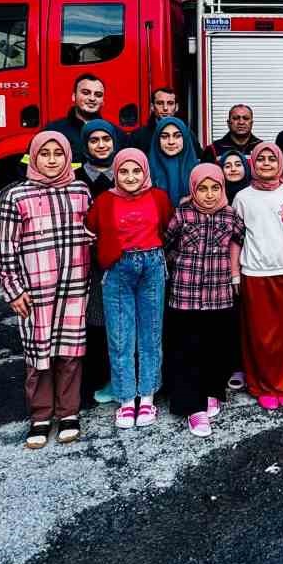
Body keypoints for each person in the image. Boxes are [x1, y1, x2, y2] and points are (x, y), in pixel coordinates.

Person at [0, 132, 95, 449]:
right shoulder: (17, 196)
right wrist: (13, 288)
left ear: (68, 156)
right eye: (44, 154)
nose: (51, 160)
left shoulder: (80, 191)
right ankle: (40, 415)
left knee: (69, 353)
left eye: (58, 153)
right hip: (36, 289)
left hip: (74, 287)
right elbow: (6, 249)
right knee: (39, 352)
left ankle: (68, 413)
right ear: (33, 158)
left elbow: (93, 234)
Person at [86, 148, 172, 430]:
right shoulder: (104, 201)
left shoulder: (158, 197)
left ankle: (146, 395)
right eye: (124, 171)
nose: (131, 177)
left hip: (152, 265)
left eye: (136, 171)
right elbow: (92, 228)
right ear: (116, 173)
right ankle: (126, 399)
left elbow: (167, 227)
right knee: (121, 336)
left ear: (145, 171)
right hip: (118, 269)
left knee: (151, 333)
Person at [162, 163, 246, 437]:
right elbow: (165, 242)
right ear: (193, 189)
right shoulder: (183, 213)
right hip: (185, 296)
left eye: (215, 188)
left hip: (218, 295)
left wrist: (233, 272)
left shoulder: (230, 216)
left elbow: (241, 239)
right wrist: (179, 261)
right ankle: (192, 408)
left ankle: (212, 390)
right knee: (188, 350)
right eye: (202, 188)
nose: (209, 194)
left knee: (214, 348)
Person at [232, 141, 283, 409]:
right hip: (254, 273)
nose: (267, 163)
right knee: (258, 334)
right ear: (253, 163)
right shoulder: (242, 197)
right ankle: (261, 385)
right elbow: (236, 240)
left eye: (272, 159)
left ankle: (282, 383)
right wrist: (235, 275)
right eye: (261, 159)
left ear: (281, 163)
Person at [77, 119, 118, 402]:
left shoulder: (126, 173)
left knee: (120, 320)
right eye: (94, 140)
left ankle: (119, 377)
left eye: (106, 139)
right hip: (86, 259)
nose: (101, 145)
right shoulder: (77, 177)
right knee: (95, 319)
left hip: (120, 257)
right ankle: (97, 377)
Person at [44, 75, 121, 164]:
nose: (92, 98)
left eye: (98, 95)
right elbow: (27, 162)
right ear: (74, 96)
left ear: (103, 101)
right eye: (86, 93)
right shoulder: (53, 130)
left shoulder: (117, 133)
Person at [147, 116, 198, 205]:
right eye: (164, 136)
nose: (171, 142)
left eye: (177, 136)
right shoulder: (144, 172)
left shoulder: (199, 171)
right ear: (157, 140)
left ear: (185, 138)